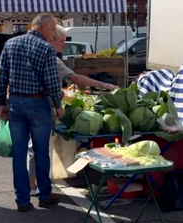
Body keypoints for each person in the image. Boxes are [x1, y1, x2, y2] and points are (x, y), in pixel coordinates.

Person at [27, 25, 119, 194]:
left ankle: (31, 185)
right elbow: (74, 77)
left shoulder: (31, 53)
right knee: (38, 149)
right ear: (51, 39)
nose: (64, 45)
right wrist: (102, 84)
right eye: (62, 41)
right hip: (40, 108)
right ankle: (37, 188)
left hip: (25, 104)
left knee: (31, 147)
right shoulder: (51, 58)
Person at [0, 13, 64, 212]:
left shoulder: (10, 44)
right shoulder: (45, 48)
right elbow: (52, 81)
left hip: (16, 103)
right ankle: (44, 195)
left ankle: (22, 200)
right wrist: (58, 104)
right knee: (41, 152)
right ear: (43, 26)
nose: (52, 35)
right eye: (52, 29)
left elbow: (2, 74)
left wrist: (2, 102)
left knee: (19, 153)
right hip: (37, 103)